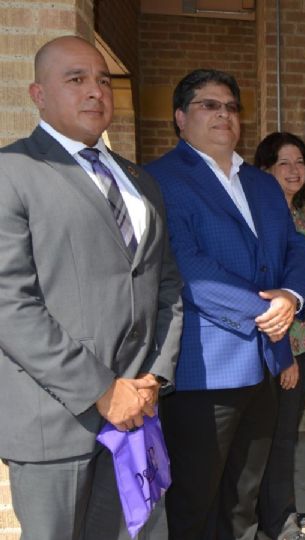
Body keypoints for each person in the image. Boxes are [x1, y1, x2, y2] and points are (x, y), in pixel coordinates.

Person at [0, 36, 183, 540]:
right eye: (75, 79)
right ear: (38, 94)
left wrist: (153, 378)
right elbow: (9, 306)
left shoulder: (140, 182)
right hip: (56, 423)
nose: (95, 91)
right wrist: (102, 390)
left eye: (103, 80)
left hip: (137, 414)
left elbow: (166, 285)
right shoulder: (11, 173)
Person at [145, 69, 305, 540]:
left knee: (245, 494)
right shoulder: (160, 179)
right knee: (195, 496)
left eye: (231, 107)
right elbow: (184, 266)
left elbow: (295, 247)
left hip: (265, 363)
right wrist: (266, 309)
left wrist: (291, 297)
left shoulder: (260, 183)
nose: (223, 114)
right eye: (208, 105)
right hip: (205, 369)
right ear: (180, 118)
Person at [254, 132, 305, 540]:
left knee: (281, 436)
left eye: (300, 161)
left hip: (304, 343)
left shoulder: (293, 215)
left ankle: (278, 510)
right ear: (264, 169)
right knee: (278, 437)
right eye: (283, 162)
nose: (294, 169)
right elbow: (267, 295)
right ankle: (279, 523)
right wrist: (283, 355)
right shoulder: (263, 220)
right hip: (283, 347)